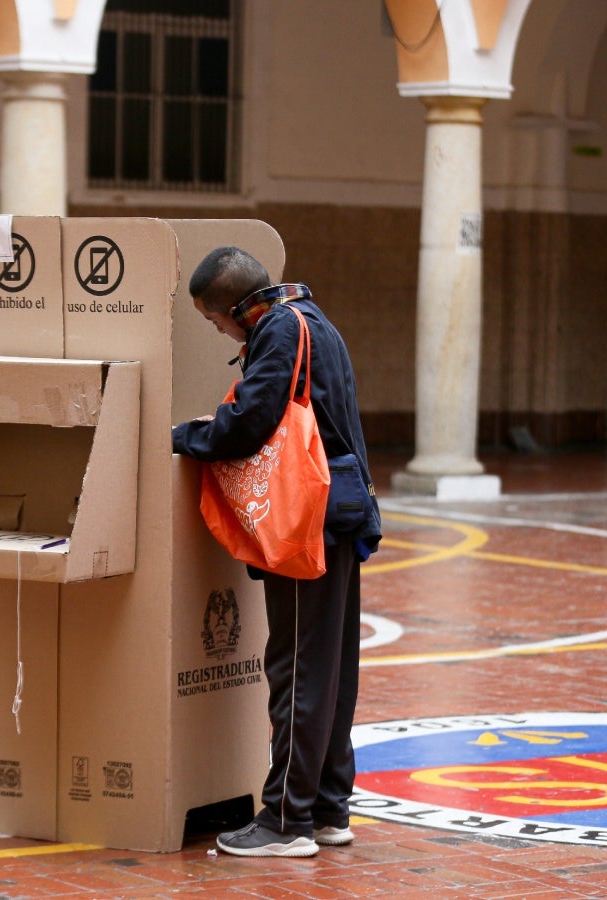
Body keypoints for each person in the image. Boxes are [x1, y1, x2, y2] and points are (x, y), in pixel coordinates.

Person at [172, 246, 381, 858]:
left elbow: (250, 422)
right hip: (337, 514)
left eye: (216, 322)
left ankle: (284, 822)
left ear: (239, 307)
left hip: (303, 524)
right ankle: (326, 810)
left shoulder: (280, 330)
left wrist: (184, 437)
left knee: (297, 669)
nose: (218, 333)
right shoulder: (316, 322)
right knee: (332, 669)